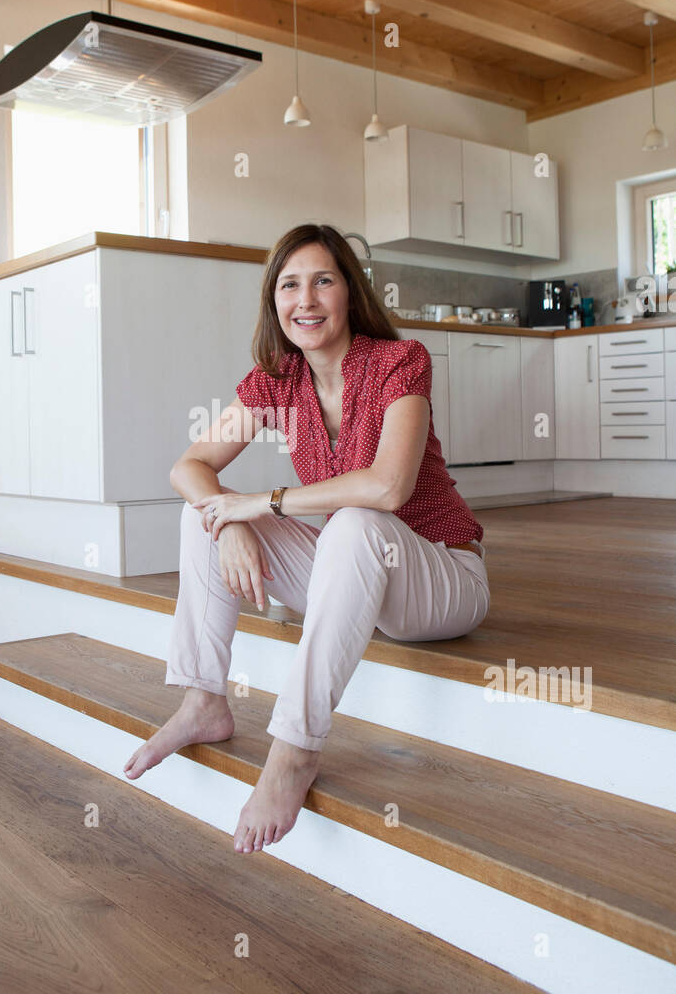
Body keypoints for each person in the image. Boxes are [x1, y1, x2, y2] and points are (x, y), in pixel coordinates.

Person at [123, 223, 490, 855]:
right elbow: (188, 467)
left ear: (349, 291)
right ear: (274, 302)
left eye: (323, 280)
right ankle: (203, 700)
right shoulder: (278, 380)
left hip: (442, 577)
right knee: (201, 515)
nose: (306, 300)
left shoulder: (400, 363)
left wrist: (258, 502)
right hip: (358, 569)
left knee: (354, 520)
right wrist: (232, 520)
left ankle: (294, 750)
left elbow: (387, 488)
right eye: (289, 285)